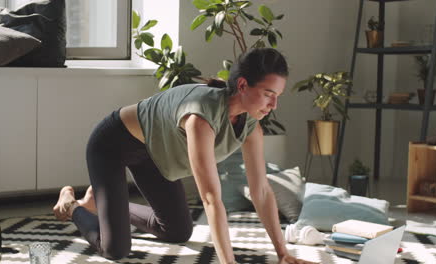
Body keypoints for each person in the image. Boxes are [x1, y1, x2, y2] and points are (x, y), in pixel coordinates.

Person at [53, 48, 316, 264]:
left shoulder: (251, 127)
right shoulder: (200, 117)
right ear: (243, 85)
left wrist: (283, 254)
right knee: (115, 250)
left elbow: (261, 191)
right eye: (269, 94)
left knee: (177, 231)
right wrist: (229, 262)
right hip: (112, 145)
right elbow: (211, 199)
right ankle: (73, 205)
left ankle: (100, 202)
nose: (274, 105)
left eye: (277, 96)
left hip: (155, 156)